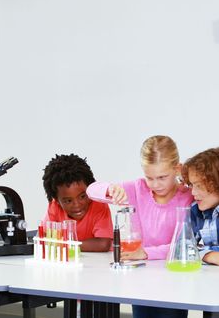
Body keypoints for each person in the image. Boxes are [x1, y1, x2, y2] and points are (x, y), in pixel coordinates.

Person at [87, 135, 193, 318]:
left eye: (162, 177)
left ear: (178, 169)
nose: (155, 184)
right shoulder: (138, 189)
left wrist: (146, 252)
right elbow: (91, 191)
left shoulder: (188, 197)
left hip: (174, 278)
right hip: (141, 277)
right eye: (150, 177)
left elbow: (184, 246)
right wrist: (111, 189)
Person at [42, 154, 113, 252]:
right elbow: (46, 239)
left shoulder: (98, 204)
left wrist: (64, 244)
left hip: (98, 263)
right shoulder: (54, 207)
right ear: (57, 200)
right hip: (70, 262)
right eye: (68, 201)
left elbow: (103, 244)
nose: (77, 205)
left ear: (90, 189)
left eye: (82, 196)